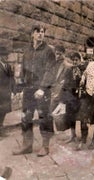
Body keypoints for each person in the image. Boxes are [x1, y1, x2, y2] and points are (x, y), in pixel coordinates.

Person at [13, 24, 56, 156]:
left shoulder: (49, 51)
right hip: (29, 89)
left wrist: (42, 88)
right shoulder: (27, 50)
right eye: (37, 32)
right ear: (32, 34)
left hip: (42, 91)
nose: (40, 34)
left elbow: (50, 71)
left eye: (42, 32)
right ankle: (27, 145)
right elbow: (23, 69)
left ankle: (45, 146)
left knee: (44, 117)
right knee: (26, 117)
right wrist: (20, 86)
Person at [0, 46, 15, 136]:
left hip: (6, 93)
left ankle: (0, 129)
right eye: (4, 55)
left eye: (7, 55)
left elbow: (12, 79)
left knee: (4, 112)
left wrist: (13, 91)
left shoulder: (8, 66)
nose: (7, 57)